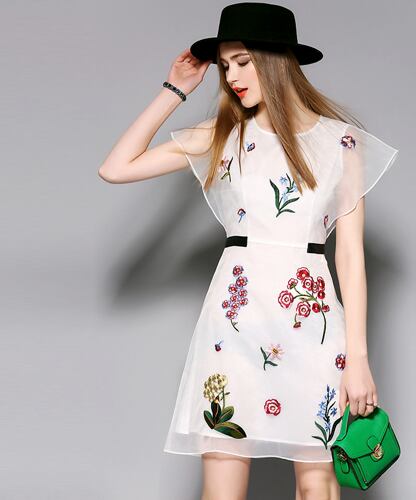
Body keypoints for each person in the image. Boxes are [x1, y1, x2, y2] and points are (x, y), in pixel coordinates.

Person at [98, 3, 399, 499]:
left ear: (277, 61)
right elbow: (115, 168)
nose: (232, 77)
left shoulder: (341, 143)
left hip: (313, 328)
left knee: (319, 486)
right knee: (222, 487)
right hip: (233, 329)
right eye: (224, 66)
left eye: (242, 61)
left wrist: (359, 358)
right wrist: (175, 90)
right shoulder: (223, 136)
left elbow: (350, 257)